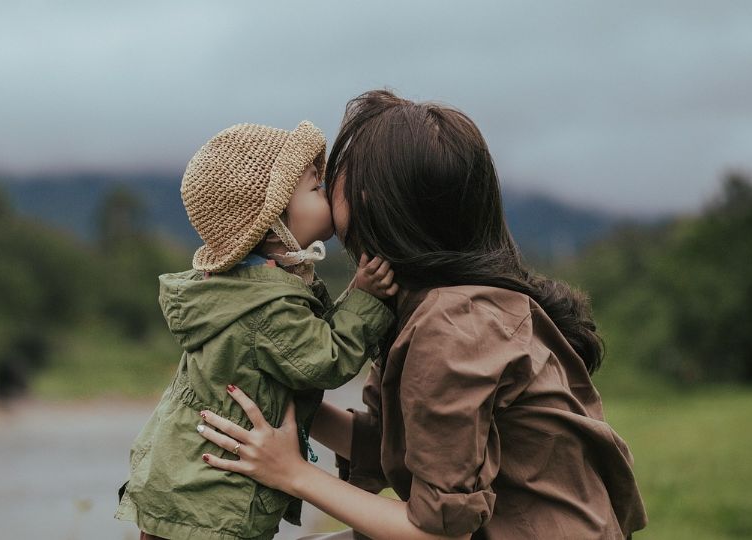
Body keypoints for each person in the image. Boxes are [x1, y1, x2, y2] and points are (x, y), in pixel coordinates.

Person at [195, 91, 649, 539]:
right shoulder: (436, 303)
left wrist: (293, 473)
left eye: (332, 178)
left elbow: (438, 533)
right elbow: (398, 446)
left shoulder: (454, 324)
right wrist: (282, 396)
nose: (324, 184)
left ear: (370, 199)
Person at [115, 120, 399, 539]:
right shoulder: (266, 305)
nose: (328, 193)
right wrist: (368, 299)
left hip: (187, 491)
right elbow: (324, 360)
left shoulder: (244, 288)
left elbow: (304, 340)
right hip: (213, 507)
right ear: (272, 223)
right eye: (316, 188)